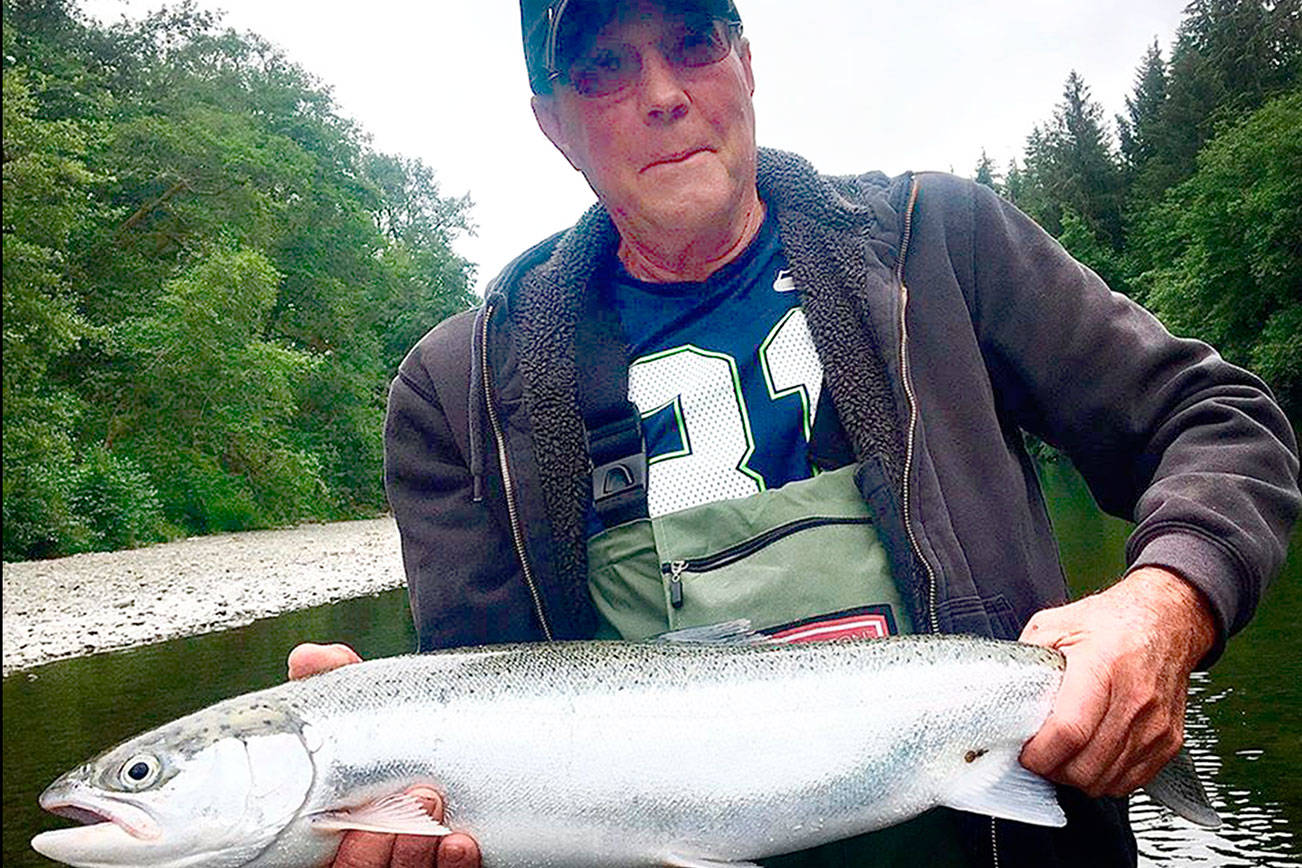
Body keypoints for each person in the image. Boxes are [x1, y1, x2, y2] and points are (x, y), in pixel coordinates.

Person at [289, 1, 1301, 866]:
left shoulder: (939, 247)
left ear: (747, 63)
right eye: (603, 66)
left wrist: (1164, 607)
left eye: (693, 42)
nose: (662, 93)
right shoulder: (459, 391)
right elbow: (485, 749)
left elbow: (1221, 423)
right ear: (553, 122)